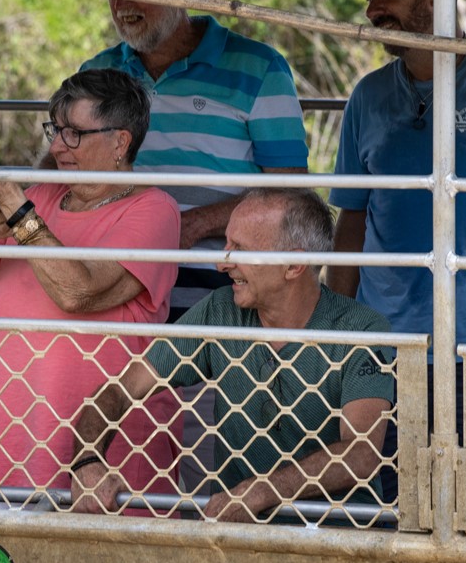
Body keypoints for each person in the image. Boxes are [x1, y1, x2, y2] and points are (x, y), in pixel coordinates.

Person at [0, 69, 181, 503]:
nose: (57, 147)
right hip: (7, 436)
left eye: (74, 134)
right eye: (56, 130)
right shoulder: (43, 197)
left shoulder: (154, 210)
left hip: (98, 450)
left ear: (120, 142)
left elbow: (77, 293)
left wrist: (17, 207)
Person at [329, 0, 466, 512]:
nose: (372, 10)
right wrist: (335, 330)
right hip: (393, 349)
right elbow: (351, 222)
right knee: (400, 513)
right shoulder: (368, 96)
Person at [69, 189, 395, 521]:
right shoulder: (220, 310)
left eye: (239, 248)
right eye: (226, 244)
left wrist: (261, 491)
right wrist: (87, 461)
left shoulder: (363, 329)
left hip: (342, 543)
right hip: (238, 539)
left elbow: (361, 454)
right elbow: (120, 390)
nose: (221, 262)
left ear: (294, 264)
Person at [76, 0, 309, 318]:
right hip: (114, 278)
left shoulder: (259, 67)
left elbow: (290, 191)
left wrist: (194, 225)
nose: (123, 5)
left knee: (211, 381)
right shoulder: (97, 73)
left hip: (225, 284)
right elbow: (63, 161)